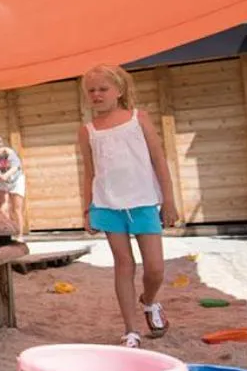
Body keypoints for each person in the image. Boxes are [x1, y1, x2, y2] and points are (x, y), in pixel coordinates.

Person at [76, 64, 179, 349]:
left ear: (119, 91)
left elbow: (159, 159)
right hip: (107, 204)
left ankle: (149, 301)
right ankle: (131, 330)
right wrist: (88, 209)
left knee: (155, 268)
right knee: (123, 264)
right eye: (91, 90)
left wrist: (168, 199)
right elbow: (89, 172)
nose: (96, 95)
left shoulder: (139, 119)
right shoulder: (88, 131)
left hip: (144, 201)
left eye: (103, 89)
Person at [0, 133, 27, 236]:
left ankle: (19, 236)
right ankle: (7, 233)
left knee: (16, 209)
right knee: (1, 208)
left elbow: (16, 167)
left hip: (16, 180)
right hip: (2, 182)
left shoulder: (8, 152)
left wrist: (5, 175)